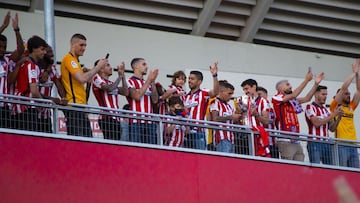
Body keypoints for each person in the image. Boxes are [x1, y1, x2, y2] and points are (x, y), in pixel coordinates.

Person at [60, 33, 107, 137]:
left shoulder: (75, 61)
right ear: (73, 45)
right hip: (74, 107)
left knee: (87, 142)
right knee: (78, 141)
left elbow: (82, 81)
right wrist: (98, 67)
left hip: (80, 107)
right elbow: (82, 78)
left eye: (85, 45)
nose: (84, 48)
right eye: (81, 45)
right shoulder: (69, 59)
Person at [272, 70, 324, 161]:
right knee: (288, 168)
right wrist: (306, 80)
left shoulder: (292, 100)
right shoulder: (276, 97)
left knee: (299, 168)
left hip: (296, 140)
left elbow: (307, 98)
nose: (291, 86)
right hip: (285, 140)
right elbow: (294, 94)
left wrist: (315, 84)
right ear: (280, 88)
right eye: (287, 85)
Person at [12, 36, 54, 131]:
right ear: (34, 49)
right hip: (27, 108)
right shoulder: (32, 66)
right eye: (42, 49)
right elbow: (34, 91)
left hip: (17, 107)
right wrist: (42, 104)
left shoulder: (24, 63)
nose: (44, 52)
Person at [330, 60, 360, 168]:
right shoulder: (335, 106)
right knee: (342, 171)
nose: (349, 95)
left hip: (353, 145)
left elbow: (359, 90)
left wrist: (357, 74)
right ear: (340, 95)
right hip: (341, 145)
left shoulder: (351, 106)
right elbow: (343, 88)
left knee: (355, 174)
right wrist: (352, 73)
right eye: (346, 94)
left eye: (349, 93)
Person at [183, 62, 219, 150]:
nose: (189, 81)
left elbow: (215, 92)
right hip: (185, 133)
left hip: (198, 133)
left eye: (192, 79)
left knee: (199, 160)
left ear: (199, 82)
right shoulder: (185, 96)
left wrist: (214, 76)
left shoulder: (203, 93)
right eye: (189, 78)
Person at [305, 85, 343, 165]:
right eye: (323, 94)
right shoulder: (310, 107)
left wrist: (339, 117)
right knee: (316, 168)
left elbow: (332, 128)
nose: (325, 97)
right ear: (316, 94)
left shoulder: (326, 110)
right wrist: (333, 115)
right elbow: (316, 123)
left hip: (327, 143)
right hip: (314, 142)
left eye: (326, 94)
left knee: (329, 169)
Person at [92, 60, 128, 140]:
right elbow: (109, 88)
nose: (111, 67)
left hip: (116, 118)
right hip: (106, 118)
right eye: (108, 65)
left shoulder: (111, 82)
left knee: (116, 145)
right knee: (110, 143)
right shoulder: (96, 78)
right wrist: (119, 77)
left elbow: (125, 92)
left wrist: (123, 76)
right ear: (100, 69)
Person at [0, 11, 24, 128]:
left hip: (5, 107)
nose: (2, 49)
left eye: (4, 47)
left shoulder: (7, 60)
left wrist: (16, 30)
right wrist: (3, 26)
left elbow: (20, 51)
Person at [127, 57, 159, 144]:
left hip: (150, 122)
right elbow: (137, 96)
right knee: (136, 150)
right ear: (136, 66)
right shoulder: (129, 81)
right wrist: (149, 81)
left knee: (150, 150)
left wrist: (152, 82)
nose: (147, 67)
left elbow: (155, 100)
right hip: (136, 121)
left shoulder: (148, 83)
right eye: (144, 64)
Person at [37, 46, 67, 132]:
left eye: (52, 54)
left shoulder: (52, 68)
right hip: (33, 112)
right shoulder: (35, 66)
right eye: (49, 54)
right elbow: (33, 92)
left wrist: (63, 97)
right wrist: (51, 99)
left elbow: (58, 84)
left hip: (46, 114)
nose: (52, 56)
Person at [238, 79, 271, 157]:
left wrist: (257, 115)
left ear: (254, 87)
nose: (246, 92)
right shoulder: (242, 101)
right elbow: (240, 119)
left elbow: (266, 121)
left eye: (247, 88)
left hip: (258, 135)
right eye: (244, 90)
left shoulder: (263, 101)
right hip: (246, 136)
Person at [210, 81, 241, 153]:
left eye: (232, 94)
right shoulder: (214, 102)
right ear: (221, 92)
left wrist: (238, 117)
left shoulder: (229, 106)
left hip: (232, 139)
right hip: (221, 138)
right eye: (229, 93)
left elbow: (233, 121)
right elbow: (215, 119)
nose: (230, 96)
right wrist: (231, 117)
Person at [257, 86, 279, 158]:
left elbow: (276, 124)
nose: (258, 97)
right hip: (262, 142)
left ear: (266, 95)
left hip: (272, 142)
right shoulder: (256, 107)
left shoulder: (272, 109)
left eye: (260, 94)